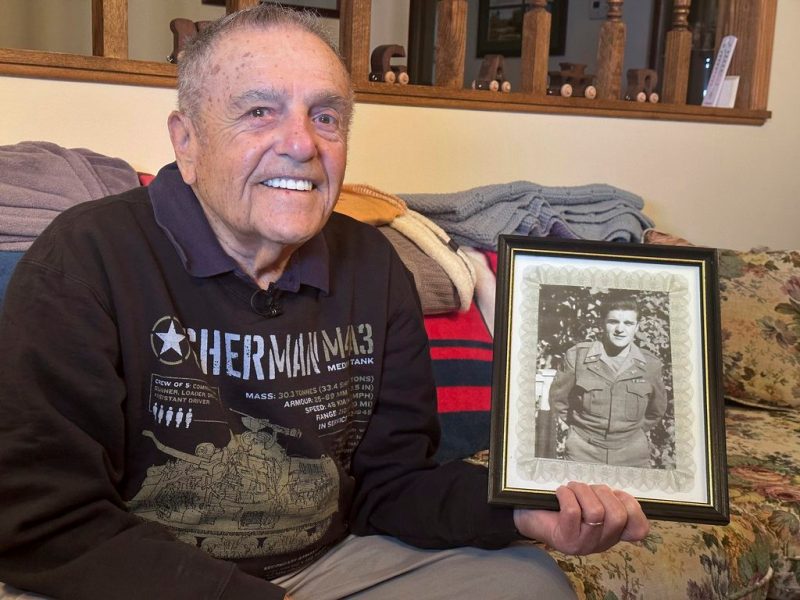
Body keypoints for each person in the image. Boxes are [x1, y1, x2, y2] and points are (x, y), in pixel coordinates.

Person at [0, 6, 650, 600]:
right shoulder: (83, 258)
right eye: (259, 112)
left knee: (529, 585)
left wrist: (518, 511)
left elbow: (391, 485)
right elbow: (42, 520)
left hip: (327, 565)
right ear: (187, 140)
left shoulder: (372, 265)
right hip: (140, 575)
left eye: (326, 115)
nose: (303, 143)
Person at [550, 295, 668, 467]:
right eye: (613, 322)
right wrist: (579, 432)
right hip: (583, 451)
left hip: (632, 454)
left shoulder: (650, 364)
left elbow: (656, 410)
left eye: (628, 323)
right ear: (602, 323)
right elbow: (558, 400)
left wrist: (629, 434)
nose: (620, 329)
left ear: (636, 327)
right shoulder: (578, 357)